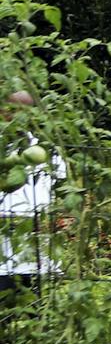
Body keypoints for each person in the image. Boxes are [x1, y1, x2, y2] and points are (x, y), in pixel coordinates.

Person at [1, 90, 65, 294]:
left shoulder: (48, 151)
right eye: (11, 110)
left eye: (22, 111)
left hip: (37, 256)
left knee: (35, 316)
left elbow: (62, 197)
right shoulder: (46, 151)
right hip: (9, 254)